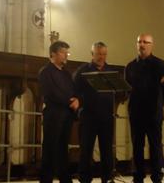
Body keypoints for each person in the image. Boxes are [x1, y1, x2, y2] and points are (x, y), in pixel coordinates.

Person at [125, 34, 164, 183]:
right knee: (137, 145)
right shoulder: (130, 66)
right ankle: (138, 176)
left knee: (155, 145)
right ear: (136, 44)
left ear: (152, 45)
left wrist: (161, 102)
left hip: (153, 112)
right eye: (139, 42)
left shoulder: (161, 65)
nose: (142, 45)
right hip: (136, 111)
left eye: (146, 42)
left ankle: (157, 176)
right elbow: (127, 89)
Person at [74, 42, 115, 183]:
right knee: (86, 150)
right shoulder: (82, 71)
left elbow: (118, 92)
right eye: (98, 54)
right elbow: (75, 91)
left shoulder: (111, 71)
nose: (101, 57)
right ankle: (85, 179)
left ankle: (107, 178)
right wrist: (79, 108)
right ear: (92, 54)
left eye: (104, 54)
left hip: (106, 117)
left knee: (107, 150)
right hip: (88, 116)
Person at [39, 41, 80, 183]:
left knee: (63, 150)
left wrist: (77, 100)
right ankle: (46, 180)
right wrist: (71, 102)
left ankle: (65, 179)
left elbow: (74, 91)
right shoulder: (45, 72)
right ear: (53, 54)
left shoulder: (67, 74)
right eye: (63, 52)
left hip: (67, 116)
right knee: (50, 150)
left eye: (67, 52)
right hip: (53, 116)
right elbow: (51, 93)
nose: (66, 55)